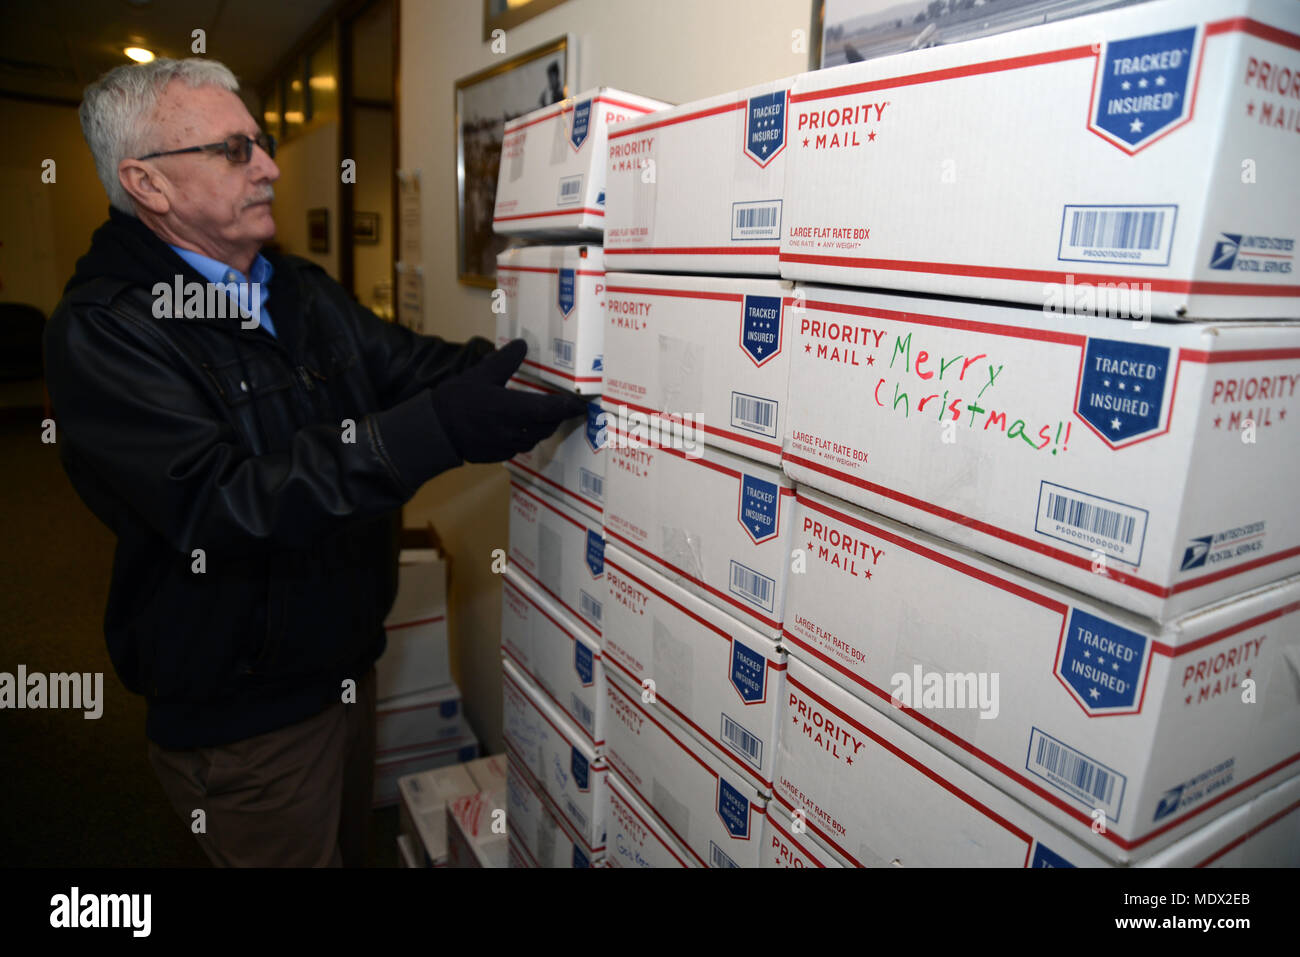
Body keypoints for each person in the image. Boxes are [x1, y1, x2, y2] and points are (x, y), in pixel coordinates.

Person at [43, 57, 584, 867]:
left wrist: (542, 370)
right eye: (233, 151)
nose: (267, 166)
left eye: (259, 143)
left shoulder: (292, 284)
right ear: (147, 184)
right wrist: (435, 430)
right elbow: (221, 502)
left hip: (342, 664)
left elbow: (408, 365)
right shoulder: (105, 330)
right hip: (245, 715)